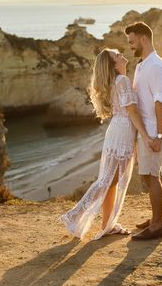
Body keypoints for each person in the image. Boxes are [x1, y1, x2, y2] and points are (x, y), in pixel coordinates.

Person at [60, 48, 152, 240]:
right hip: (123, 131)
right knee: (108, 181)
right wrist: (145, 136)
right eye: (116, 55)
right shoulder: (123, 81)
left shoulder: (116, 82)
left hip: (117, 130)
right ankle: (74, 215)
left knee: (110, 181)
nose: (121, 55)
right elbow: (132, 112)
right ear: (113, 65)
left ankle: (107, 224)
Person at [125, 22, 162, 240]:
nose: (130, 47)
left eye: (132, 42)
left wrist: (159, 136)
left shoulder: (156, 66)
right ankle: (158, 218)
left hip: (154, 132)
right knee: (154, 175)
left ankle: (156, 226)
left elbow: (161, 103)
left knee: (150, 176)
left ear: (143, 39)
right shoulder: (143, 65)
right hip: (147, 132)